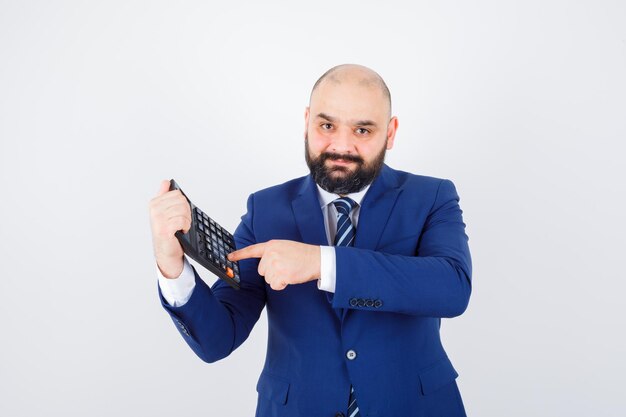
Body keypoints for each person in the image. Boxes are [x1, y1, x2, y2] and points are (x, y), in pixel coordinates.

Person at [148, 64, 472, 417]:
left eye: (363, 129)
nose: (341, 145)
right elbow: (217, 339)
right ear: (306, 122)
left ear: (390, 133)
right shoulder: (265, 210)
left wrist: (321, 262)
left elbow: (452, 288)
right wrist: (171, 264)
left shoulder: (432, 196)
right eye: (327, 125)